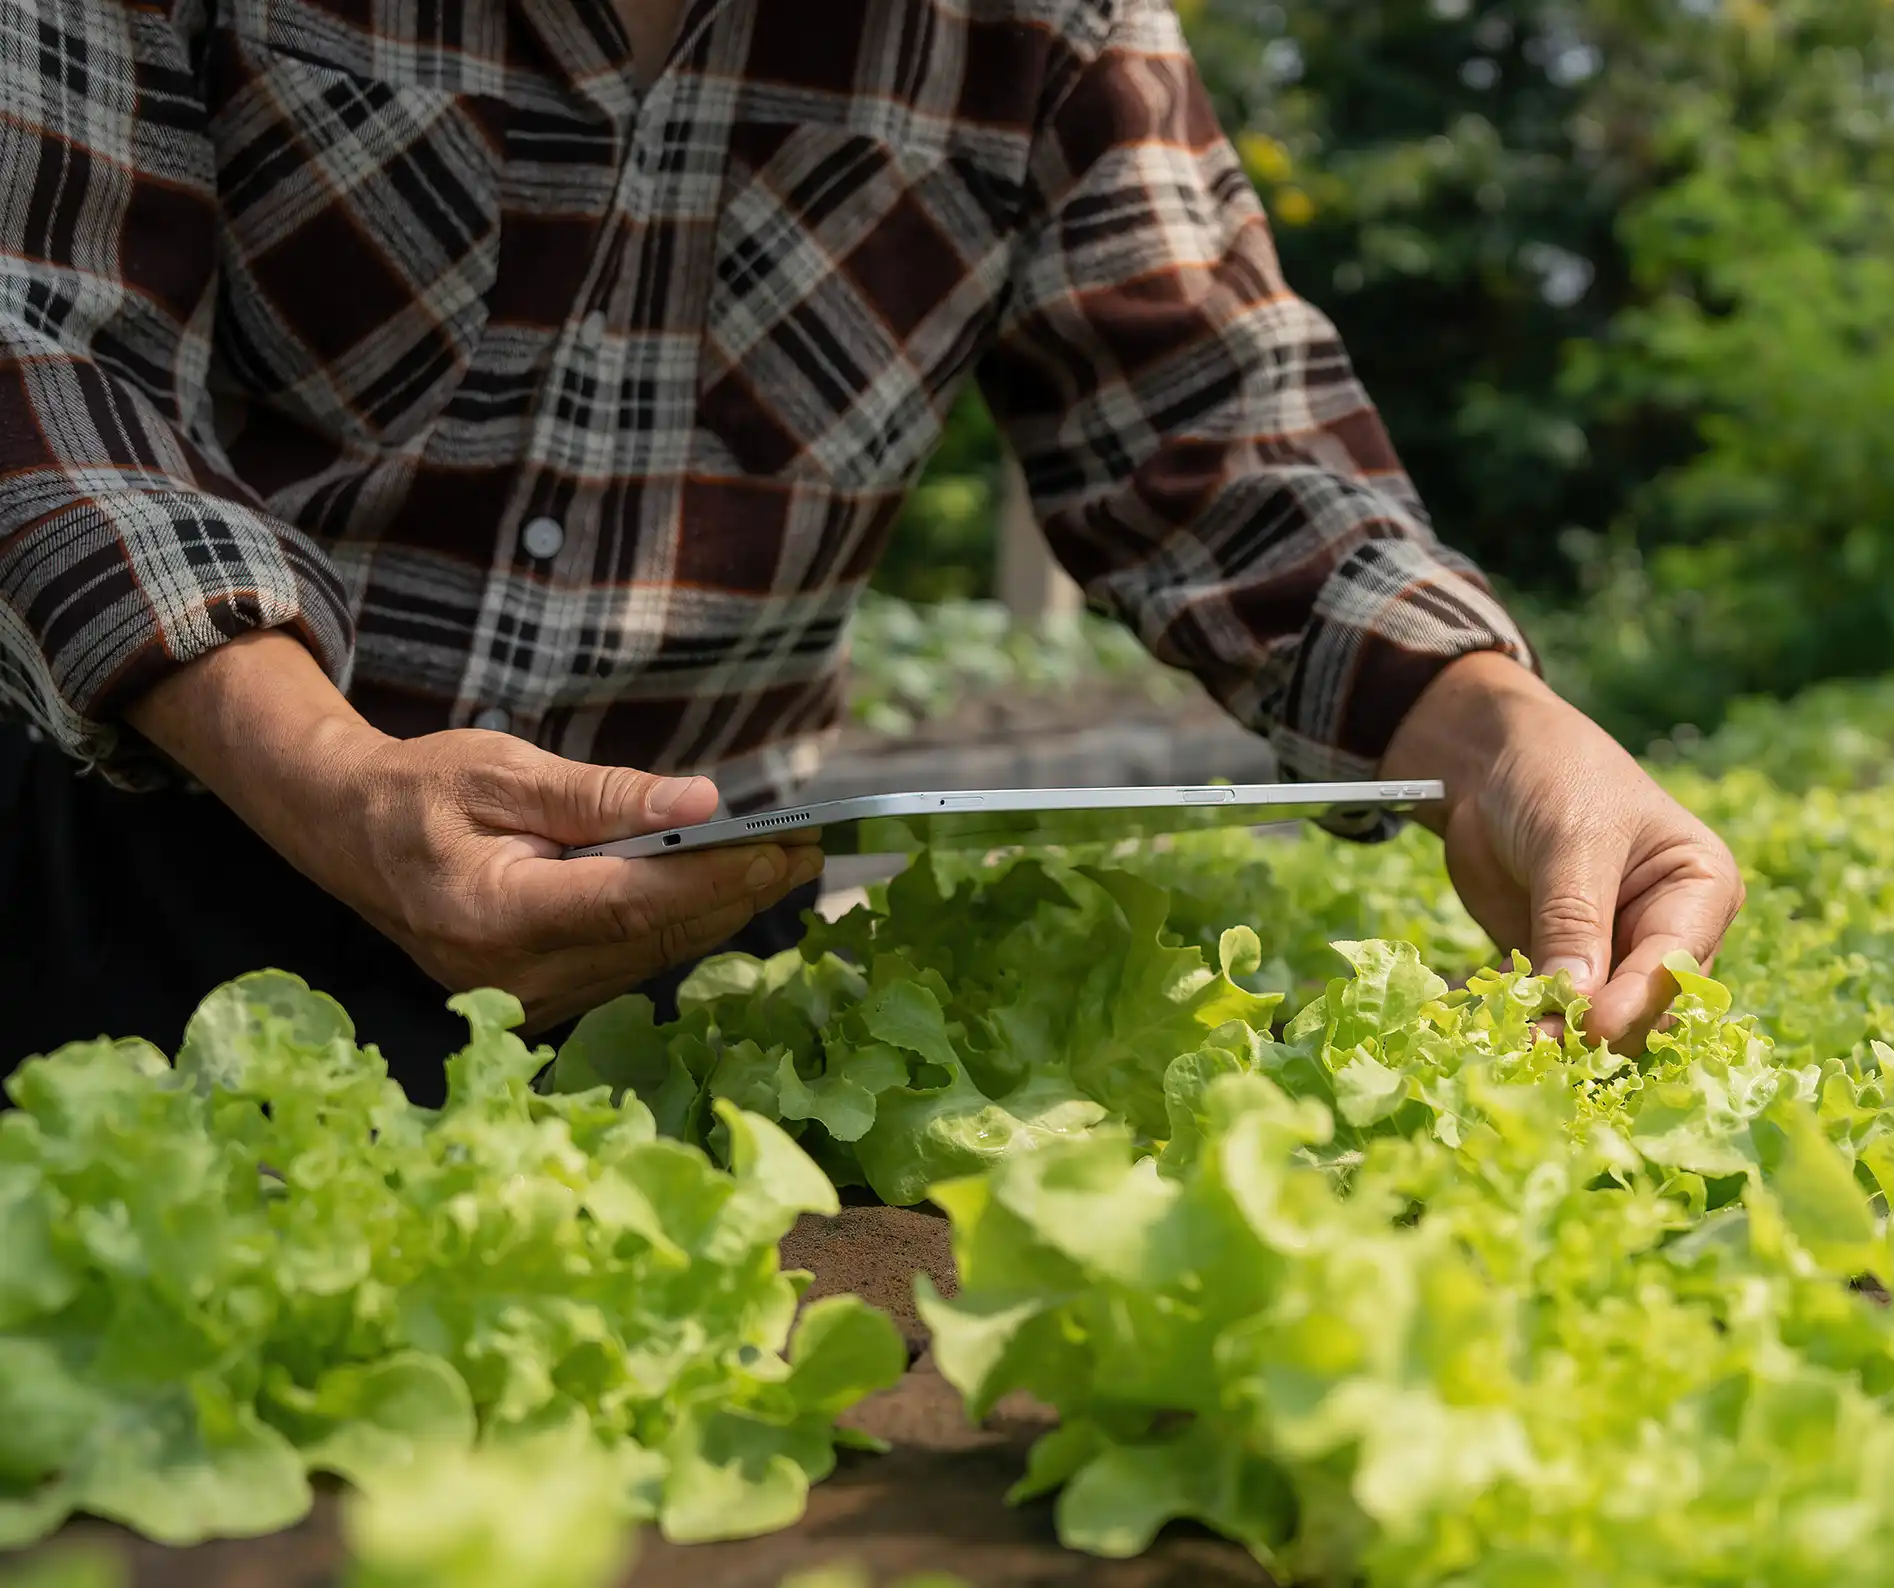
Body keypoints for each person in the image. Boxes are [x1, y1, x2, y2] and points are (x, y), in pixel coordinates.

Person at [0, 0, 1740, 1104]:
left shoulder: (1047, 28)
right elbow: (46, 345)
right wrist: (328, 775)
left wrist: (1502, 732)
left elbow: (1225, 443)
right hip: (153, 864)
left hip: (688, 949)